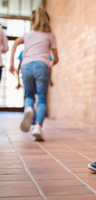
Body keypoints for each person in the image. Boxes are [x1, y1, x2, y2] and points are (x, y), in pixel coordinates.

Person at [9, 7, 59, 141]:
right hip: (41, 65)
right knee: (42, 98)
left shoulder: (27, 35)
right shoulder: (50, 35)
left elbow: (14, 44)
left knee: (29, 95)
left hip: (25, 66)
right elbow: (56, 58)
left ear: (32, 22)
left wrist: (12, 64)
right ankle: (37, 126)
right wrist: (49, 64)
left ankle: (28, 109)